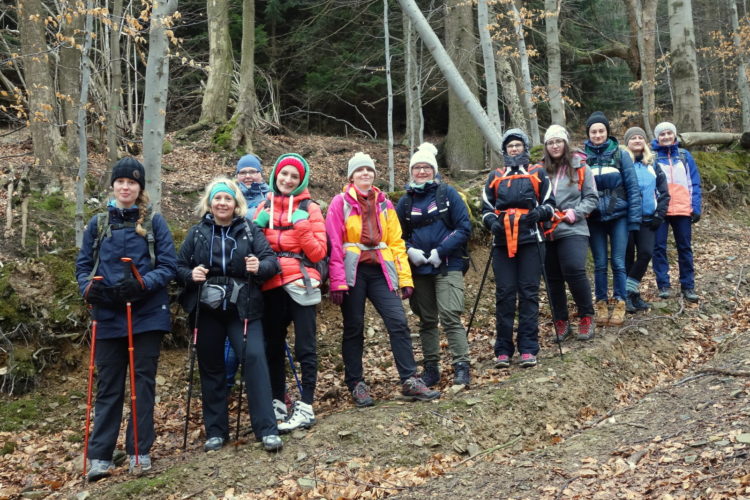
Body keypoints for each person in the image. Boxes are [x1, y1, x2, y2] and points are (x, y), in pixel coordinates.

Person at [75, 157, 177, 481]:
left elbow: (169, 266)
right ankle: (100, 456)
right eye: (120, 182)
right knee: (108, 386)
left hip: (147, 314)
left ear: (140, 188)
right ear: (113, 185)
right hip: (107, 315)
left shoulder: (154, 223)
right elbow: (81, 268)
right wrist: (91, 291)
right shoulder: (97, 224)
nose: (125, 187)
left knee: (142, 384)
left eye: (132, 182)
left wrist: (143, 284)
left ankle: (139, 451)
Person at [176, 177, 283, 453]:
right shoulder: (197, 233)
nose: (222, 203)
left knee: (255, 359)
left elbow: (272, 262)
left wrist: (259, 266)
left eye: (227, 198)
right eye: (217, 198)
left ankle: (267, 430)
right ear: (209, 203)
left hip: (243, 308)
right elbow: (176, 267)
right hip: (208, 311)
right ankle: (216, 432)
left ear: (236, 203)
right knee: (211, 366)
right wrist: (191, 275)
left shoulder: (249, 230)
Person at [326, 151, 440, 406]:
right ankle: (356, 384)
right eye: (359, 170)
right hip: (352, 271)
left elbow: (396, 243)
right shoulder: (340, 203)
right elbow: (333, 243)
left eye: (369, 170)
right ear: (351, 176)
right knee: (354, 328)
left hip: (380, 271)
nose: (365, 174)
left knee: (398, 322)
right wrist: (336, 281)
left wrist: (405, 279)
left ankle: (410, 379)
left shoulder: (384, 203)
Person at [253, 153, 327, 432]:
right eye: (284, 174)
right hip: (271, 283)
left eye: (294, 176)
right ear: (275, 176)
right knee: (273, 345)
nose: (287, 180)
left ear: (301, 181)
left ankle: (306, 406)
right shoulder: (263, 206)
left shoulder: (311, 208)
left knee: (305, 346)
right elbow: (255, 251)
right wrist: (255, 229)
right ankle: (277, 402)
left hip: (300, 281)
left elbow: (319, 252)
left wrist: (302, 225)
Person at [395, 143, 472, 387]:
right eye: (417, 167)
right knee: (427, 319)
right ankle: (431, 369)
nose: (421, 171)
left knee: (450, 315)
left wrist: (441, 251)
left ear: (434, 170)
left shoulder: (448, 194)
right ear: (411, 172)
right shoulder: (405, 202)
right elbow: (396, 236)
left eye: (426, 167)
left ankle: (462, 365)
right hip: (419, 270)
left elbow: (464, 227)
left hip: (448, 264)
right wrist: (410, 252)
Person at [481, 129, 555, 368]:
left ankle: (528, 347)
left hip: (531, 239)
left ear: (524, 147)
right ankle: (503, 349)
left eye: (518, 145)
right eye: (510, 146)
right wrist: (492, 222)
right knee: (504, 293)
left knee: (529, 292)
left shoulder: (537, 172)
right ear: (505, 150)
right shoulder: (495, 175)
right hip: (503, 242)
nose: (514, 149)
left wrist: (539, 213)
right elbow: (486, 207)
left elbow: (551, 205)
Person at [583, 112, 642, 327]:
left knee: (618, 261)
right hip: (594, 217)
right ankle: (600, 303)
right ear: (588, 134)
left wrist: (634, 220)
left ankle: (619, 302)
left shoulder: (620, 154)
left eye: (601, 131)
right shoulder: (582, 157)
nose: (597, 135)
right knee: (599, 263)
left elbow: (632, 188)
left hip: (620, 216)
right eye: (593, 131)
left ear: (607, 132)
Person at [541, 125, 598, 341]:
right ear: (546, 146)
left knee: (574, 268)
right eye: (550, 142)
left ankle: (586, 316)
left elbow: (592, 198)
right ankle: (561, 321)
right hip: (546, 229)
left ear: (565, 143)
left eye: (558, 141)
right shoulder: (539, 170)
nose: (555, 146)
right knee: (552, 278)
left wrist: (574, 213)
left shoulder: (581, 167)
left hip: (573, 227)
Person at [650, 121, 702, 303]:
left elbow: (693, 182)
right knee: (658, 248)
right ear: (657, 137)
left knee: (685, 248)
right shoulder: (653, 157)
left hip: (682, 208)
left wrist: (695, 206)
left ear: (674, 135)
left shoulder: (684, 155)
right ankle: (663, 285)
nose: (665, 137)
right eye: (661, 134)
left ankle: (688, 286)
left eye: (668, 133)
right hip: (660, 209)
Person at [623, 127, 670, 312]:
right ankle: (631, 296)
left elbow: (664, 192)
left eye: (640, 137)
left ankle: (628, 291)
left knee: (645, 253)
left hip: (648, 218)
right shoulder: (622, 163)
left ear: (645, 142)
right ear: (627, 142)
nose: (636, 140)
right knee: (626, 257)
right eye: (632, 138)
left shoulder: (653, 164)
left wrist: (660, 214)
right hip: (626, 219)